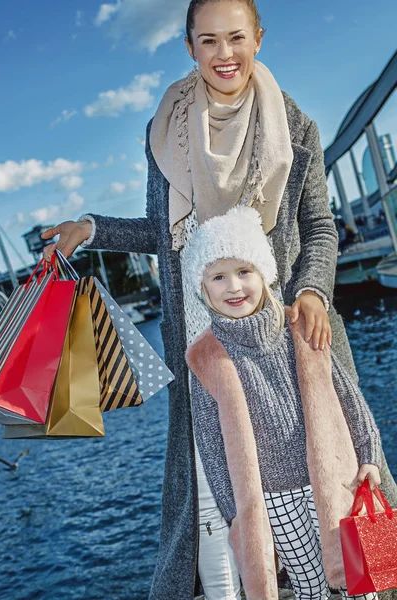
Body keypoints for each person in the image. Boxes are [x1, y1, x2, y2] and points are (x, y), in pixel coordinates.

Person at [41, 0, 397, 597]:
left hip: (295, 334)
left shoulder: (297, 129)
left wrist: (311, 288)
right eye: (208, 41)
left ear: (258, 37)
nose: (224, 53)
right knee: (222, 505)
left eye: (236, 37)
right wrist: (92, 228)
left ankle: (380, 584)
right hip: (210, 342)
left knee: (354, 492)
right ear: (189, 47)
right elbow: (165, 233)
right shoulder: (166, 136)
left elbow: (320, 227)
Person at [185, 205, 384, 600]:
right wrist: (240, 516)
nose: (234, 287)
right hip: (274, 502)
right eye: (219, 277)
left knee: (364, 583)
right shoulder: (205, 358)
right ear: (203, 288)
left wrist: (370, 455)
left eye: (244, 271)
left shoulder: (299, 325)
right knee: (310, 588)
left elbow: (347, 395)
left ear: (264, 273)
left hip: (337, 479)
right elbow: (212, 448)